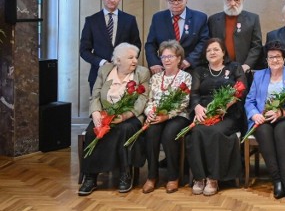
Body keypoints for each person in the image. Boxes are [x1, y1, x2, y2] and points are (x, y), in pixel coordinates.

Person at [78, 43, 150, 196]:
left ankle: (125, 174)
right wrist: (96, 112)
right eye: (130, 58)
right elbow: (95, 94)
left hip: (131, 115)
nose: (135, 61)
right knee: (93, 131)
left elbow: (142, 99)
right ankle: (90, 177)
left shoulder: (142, 72)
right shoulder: (105, 70)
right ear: (118, 60)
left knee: (124, 129)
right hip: (106, 113)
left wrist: (125, 115)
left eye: (136, 57)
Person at [244, 41, 285, 202]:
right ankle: (277, 180)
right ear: (267, 59)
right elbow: (249, 101)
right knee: (263, 131)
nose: (275, 60)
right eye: (271, 57)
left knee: (281, 131)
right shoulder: (259, 75)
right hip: (263, 118)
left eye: (278, 57)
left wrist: (281, 112)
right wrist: (254, 114)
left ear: (284, 59)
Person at [187, 38, 247, 196]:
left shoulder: (234, 67)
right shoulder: (200, 71)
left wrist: (225, 106)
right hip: (204, 112)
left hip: (229, 114)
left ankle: (214, 178)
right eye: (208, 50)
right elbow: (194, 94)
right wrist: (198, 108)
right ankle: (199, 177)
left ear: (223, 52)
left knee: (216, 132)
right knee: (196, 132)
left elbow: (241, 91)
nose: (212, 52)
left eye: (216, 49)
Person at [142, 40, 191, 194]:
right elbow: (148, 100)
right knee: (151, 132)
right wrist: (149, 113)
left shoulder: (186, 77)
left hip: (178, 115)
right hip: (156, 114)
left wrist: (166, 116)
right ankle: (151, 176)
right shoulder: (156, 77)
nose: (167, 60)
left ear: (179, 58)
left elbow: (184, 102)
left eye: (170, 56)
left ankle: (173, 177)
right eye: (163, 57)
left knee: (169, 135)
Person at [80, 0, 141, 93]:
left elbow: (136, 46)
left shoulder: (129, 20)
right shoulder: (91, 21)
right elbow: (84, 50)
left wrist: (126, 62)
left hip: (125, 75)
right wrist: (102, 62)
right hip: (99, 74)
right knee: (98, 109)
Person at [145, 0, 209, 75]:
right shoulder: (158, 18)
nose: (175, 3)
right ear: (167, 0)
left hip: (191, 69)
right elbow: (150, 44)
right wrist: (154, 62)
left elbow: (204, 42)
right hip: (164, 69)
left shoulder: (199, 18)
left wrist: (190, 60)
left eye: (179, 0)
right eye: (171, 0)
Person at [207, 0, 263, 73]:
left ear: (242, 0)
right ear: (224, 0)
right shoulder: (213, 20)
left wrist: (247, 65)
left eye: (236, 0)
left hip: (243, 69)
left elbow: (256, 45)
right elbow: (208, 45)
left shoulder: (253, 19)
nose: (232, 3)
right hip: (218, 68)